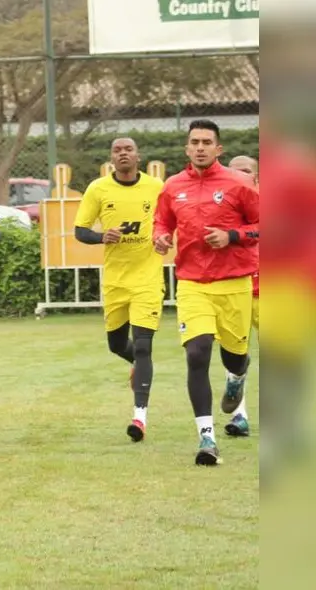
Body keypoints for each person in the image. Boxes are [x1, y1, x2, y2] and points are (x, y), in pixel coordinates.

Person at [153, 120, 259, 466]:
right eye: (194, 142)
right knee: (197, 354)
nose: (200, 147)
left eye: (206, 142)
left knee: (234, 356)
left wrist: (232, 236)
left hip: (234, 283)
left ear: (218, 149)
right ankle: (207, 437)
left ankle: (236, 377)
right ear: (186, 148)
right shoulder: (172, 186)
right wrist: (161, 236)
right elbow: (162, 220)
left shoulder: (239, 183)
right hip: (192, 283)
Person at [74, 138, 165, 442]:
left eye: (128, 149)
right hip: (115, 282)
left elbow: (170, 221)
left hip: (148, 280)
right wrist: (102, 236)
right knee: (116, 344)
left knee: (143, 346)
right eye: (117, 150)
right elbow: (80, 231)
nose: (123, 153)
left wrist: (164, 237)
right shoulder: (98, 189)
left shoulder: (156, 187)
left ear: (138, 155)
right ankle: (139, 367)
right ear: (111, 157)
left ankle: (139, 418)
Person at [224, 154, 260, 437]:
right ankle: (239, 416)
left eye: (246, 171)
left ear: (256, 176)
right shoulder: (220, 208)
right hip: (234, 288)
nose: (240, 177)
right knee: (235, 355)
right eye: (234, 172)